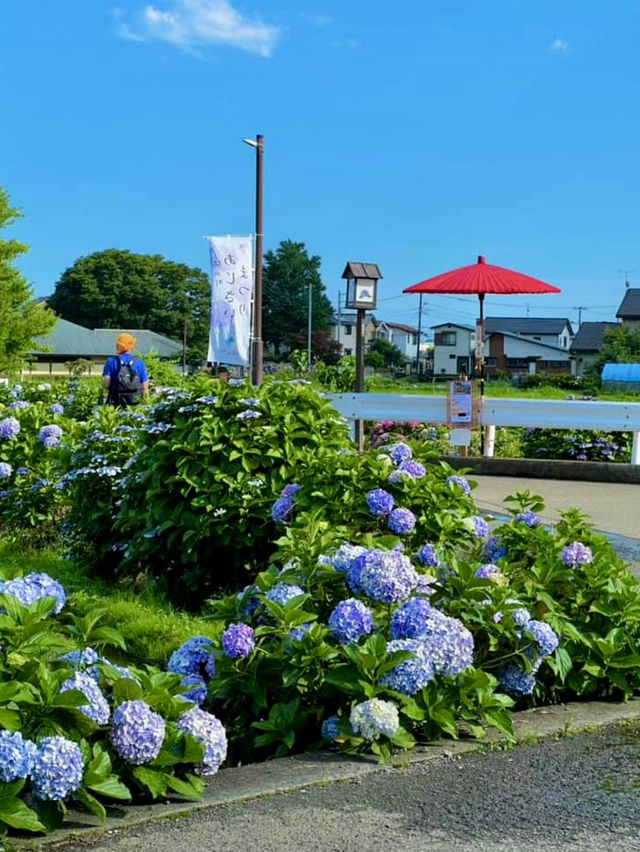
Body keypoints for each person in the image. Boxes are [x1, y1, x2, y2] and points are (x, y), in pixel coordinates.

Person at [103, 333, 149, 406]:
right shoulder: (139, 362)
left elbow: (106, 384)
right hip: (135, 402)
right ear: (132, 346)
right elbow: (145, 387)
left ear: (118, 345)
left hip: (116, 400)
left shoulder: (111, 361)